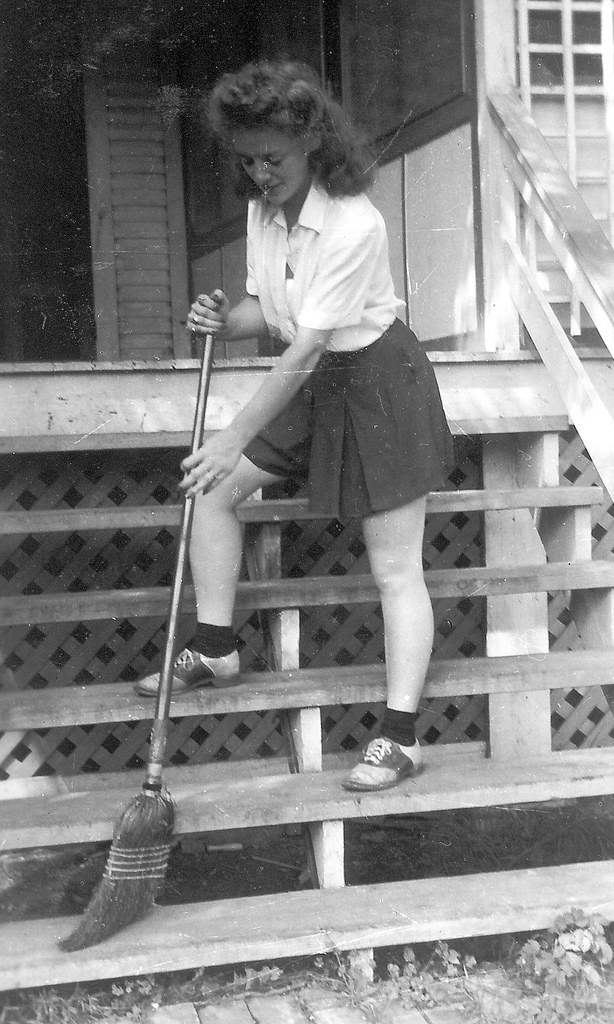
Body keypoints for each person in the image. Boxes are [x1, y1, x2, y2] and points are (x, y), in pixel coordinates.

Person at [136, 59, 453, 792]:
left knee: (396, 567)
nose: (258, 173)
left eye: (271, 158)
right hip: (314, 384)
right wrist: (224, 317)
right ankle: (216, 646)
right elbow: (270, 313)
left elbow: (308, 347)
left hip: (378, 384)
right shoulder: (262, 206)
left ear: (312, 140)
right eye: (245, 159)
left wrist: (232, 436)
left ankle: (399, 738)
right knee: (207, 492)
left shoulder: (353, 223)